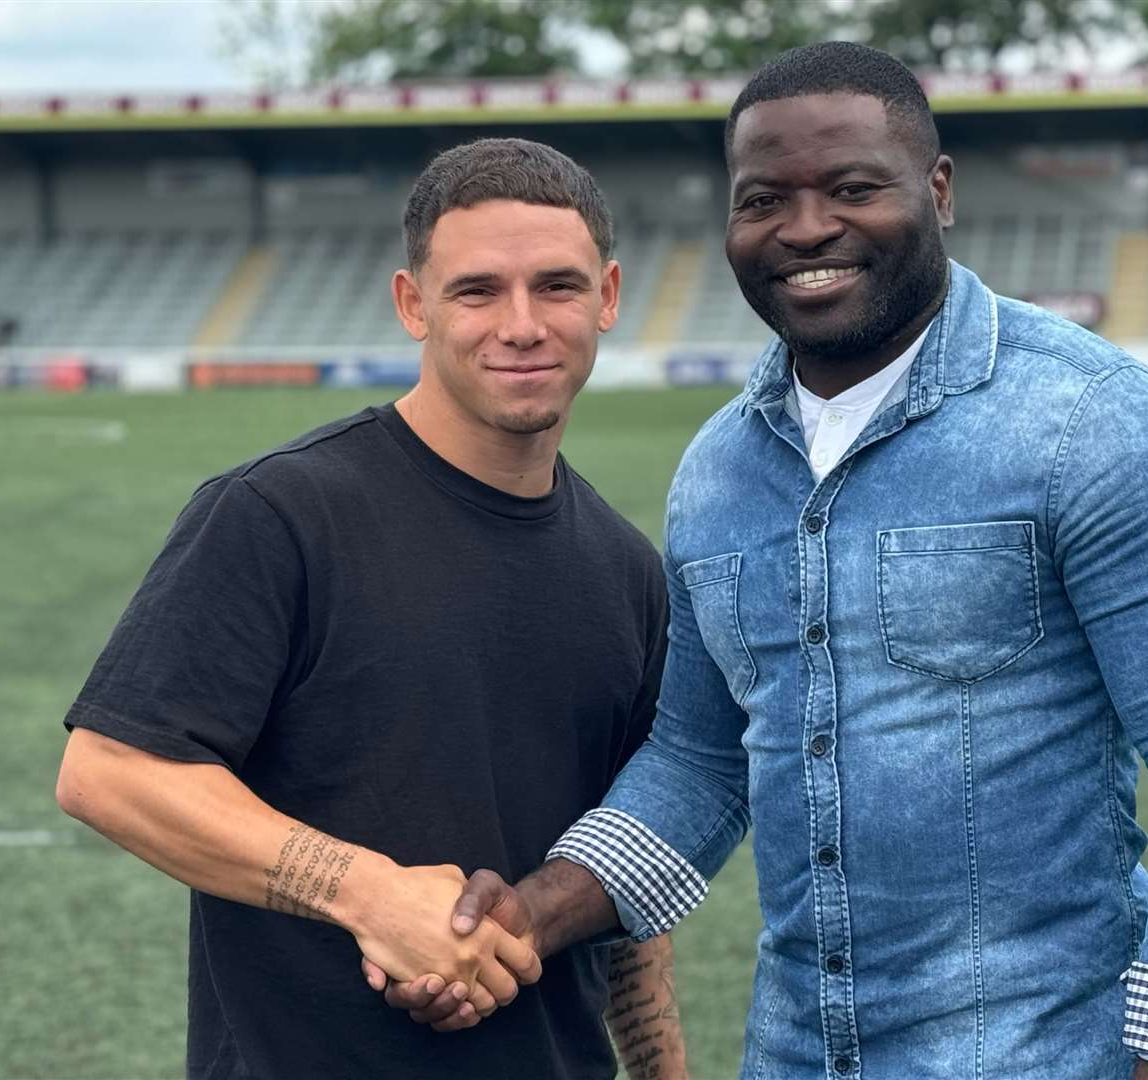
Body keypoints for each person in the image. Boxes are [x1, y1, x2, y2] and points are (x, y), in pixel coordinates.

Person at [388, 43, 1148, 1080]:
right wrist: (520, 916)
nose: (804, 228)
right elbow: (699, 763)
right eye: (761, 200)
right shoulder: (719, 472)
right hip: (795, 1056)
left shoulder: (1088, 424)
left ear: (936, 190)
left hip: (1045, 1054)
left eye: (850, 187)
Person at [55, 137, 686, 1080]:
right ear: (412, 304)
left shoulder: (626, 570)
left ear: (606, 296)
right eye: (476, 291)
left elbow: (622, 873)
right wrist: (369, 894)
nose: (521, 325)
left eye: (556, 286)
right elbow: (109, 771)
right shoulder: (282, 513)